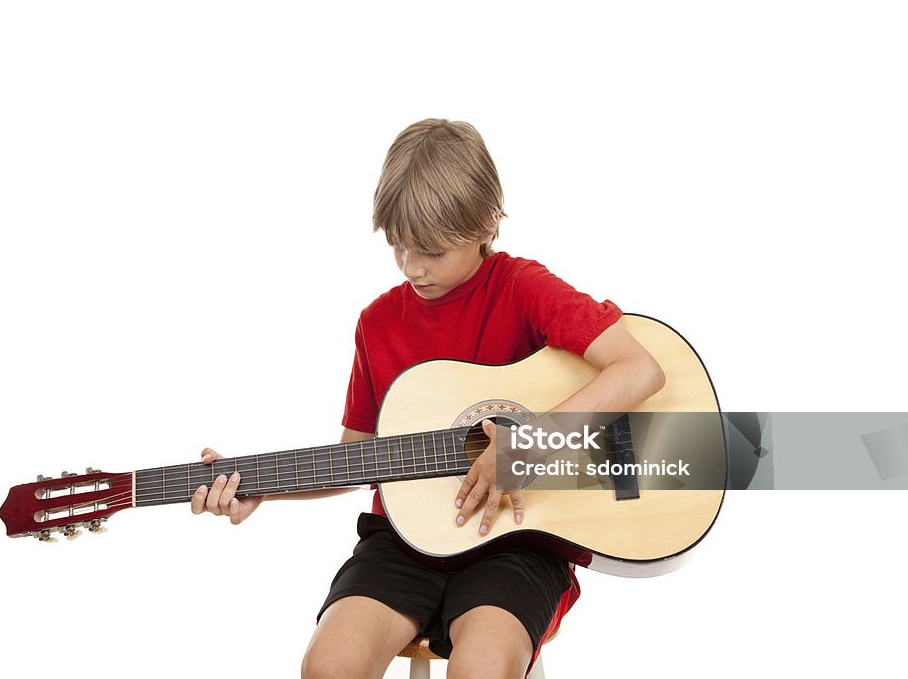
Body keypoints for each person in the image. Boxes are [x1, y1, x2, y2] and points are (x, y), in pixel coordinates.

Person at [191, 119, 666, 679]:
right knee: (328, 666)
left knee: (482, 669)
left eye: (433, 251)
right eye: (399, 247)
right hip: (401, 543)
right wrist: (260, 487)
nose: (413, 267)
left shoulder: (522, 288)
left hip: (518, 544)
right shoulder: (378, 323)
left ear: (486, 223)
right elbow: (354, 459)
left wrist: (528, 442)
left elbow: (640, 369)